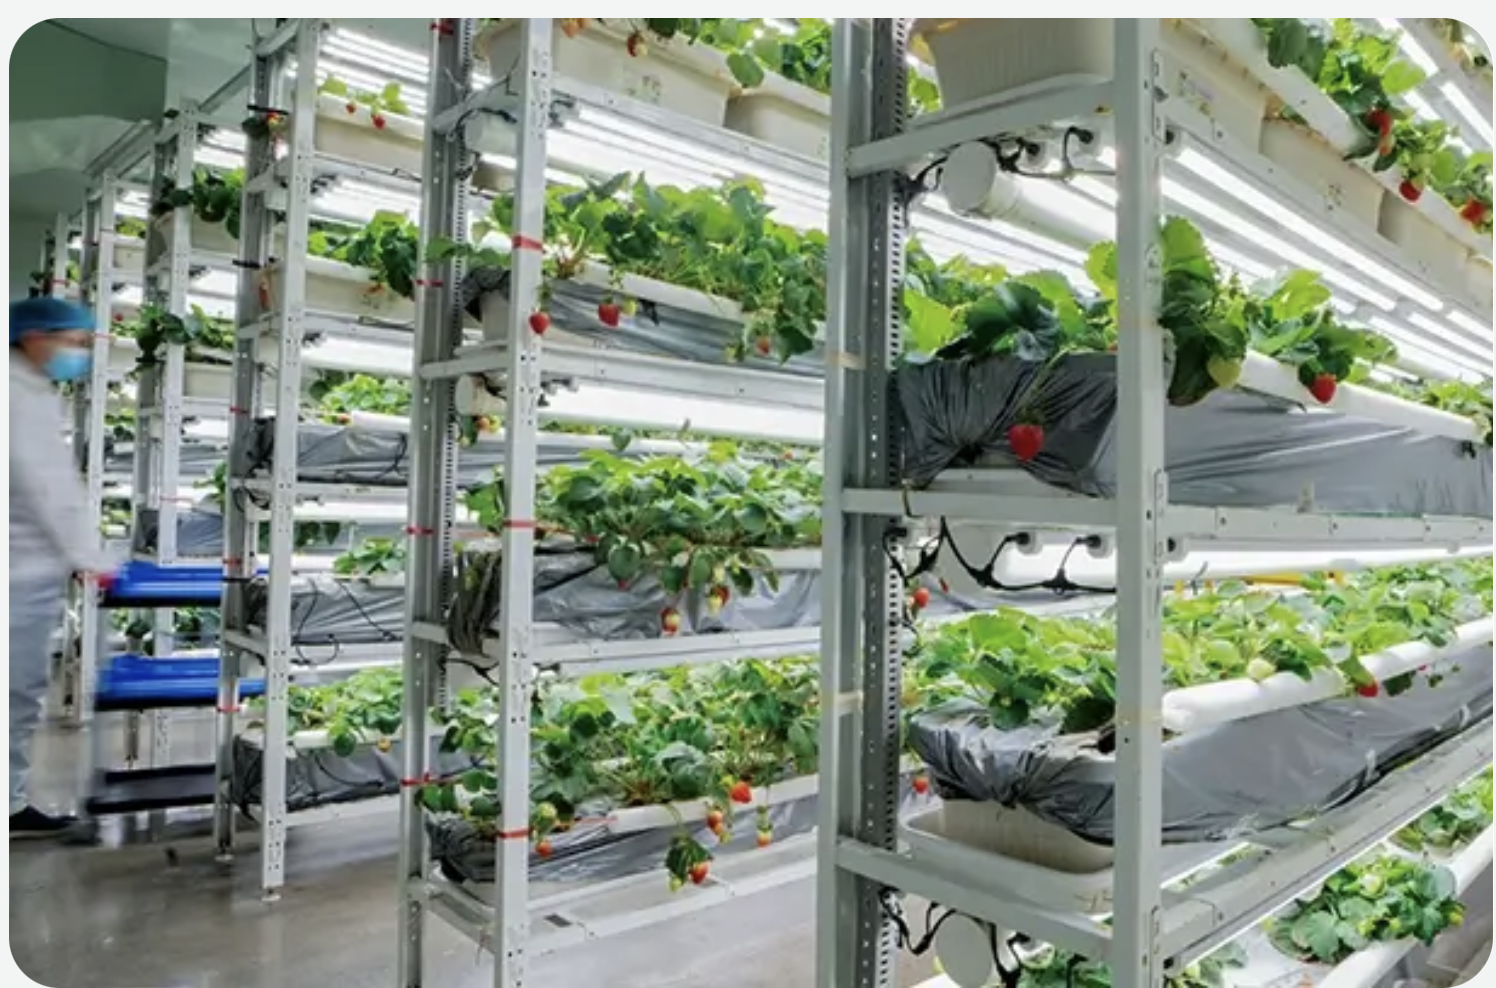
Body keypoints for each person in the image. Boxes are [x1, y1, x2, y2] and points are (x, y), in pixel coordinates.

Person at [9, 296, 117, 837]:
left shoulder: (28, 389)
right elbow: (48, 489)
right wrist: (92, 557)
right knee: (16, 690)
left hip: (24, 566)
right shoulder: (18, 396)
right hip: (17, 573)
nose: (78, 353)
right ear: (35, 338)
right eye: (72, 342)